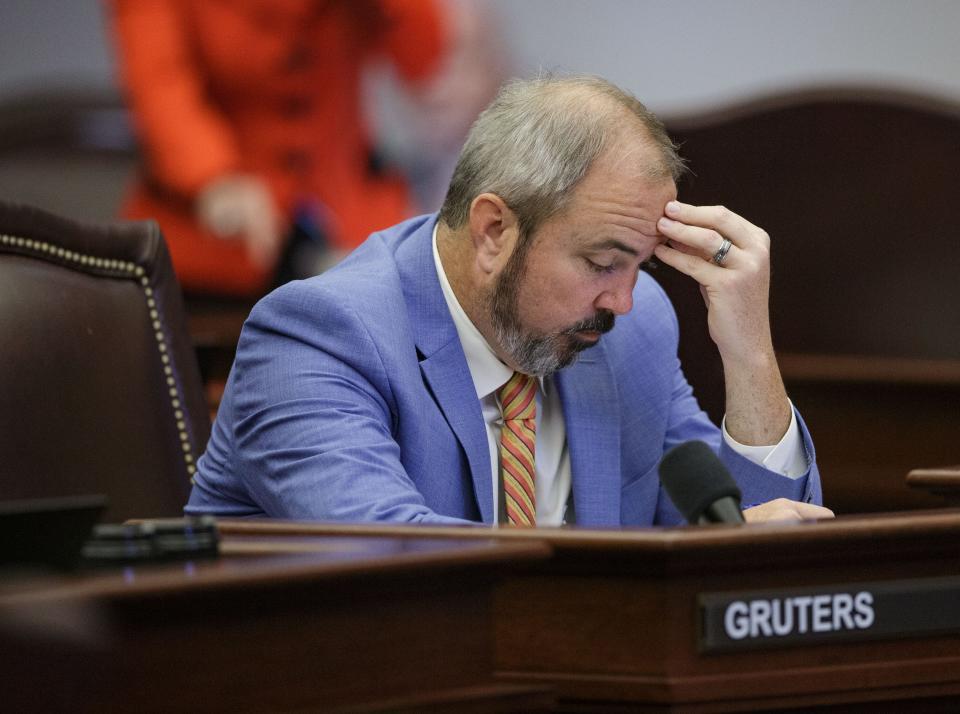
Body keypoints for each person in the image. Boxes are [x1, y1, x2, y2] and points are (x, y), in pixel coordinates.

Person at [187, 75, 831, 526]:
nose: (626, 301)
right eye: (604, 263)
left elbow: (735, 537)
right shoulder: (319, 336)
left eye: (641, 266)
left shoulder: (630, 333)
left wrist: (749, 354)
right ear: (494, 230)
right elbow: (393, 562)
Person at [110, 0, 448, 296]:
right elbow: (161, 83)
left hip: (347, 219)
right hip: (212, 240)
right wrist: (213, 177)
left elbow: (424, 58)